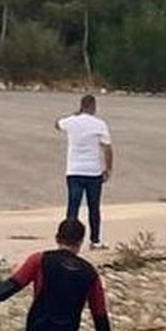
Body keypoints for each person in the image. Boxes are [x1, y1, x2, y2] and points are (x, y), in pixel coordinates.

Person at [56, 94, 113, 249]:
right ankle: (95, 240)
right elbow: (107, 148)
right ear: (93, 106)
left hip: (74, 171)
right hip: (93, 172)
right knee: (94, 207)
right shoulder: (99, 124)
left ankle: (67, 240)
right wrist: (108, 168)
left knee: (73, 207)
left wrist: (75, 114)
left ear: (81, 106)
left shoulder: (71, 122)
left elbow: (57, 124)